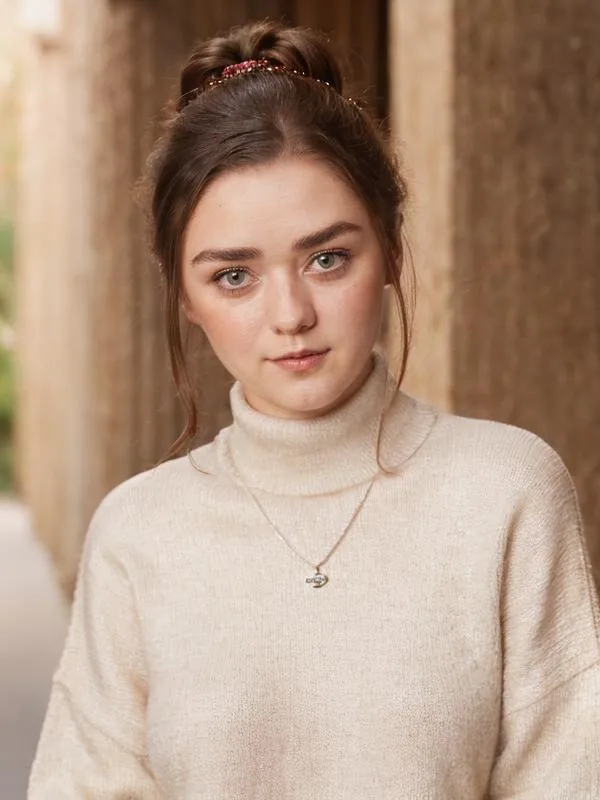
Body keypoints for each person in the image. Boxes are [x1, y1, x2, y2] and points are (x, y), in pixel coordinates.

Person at [28, 19, 600, 800]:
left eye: (327, 258)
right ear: (183, 295)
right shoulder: (137, 535)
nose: (290, 313)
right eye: (235, 276)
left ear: (391, 249)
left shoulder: (508, 493)